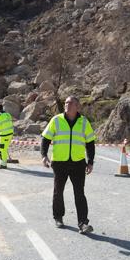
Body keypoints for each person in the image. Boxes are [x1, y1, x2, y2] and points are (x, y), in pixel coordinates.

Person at [41, 96, 95, 234]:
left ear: (77, 106)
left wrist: (90, 162)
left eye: (70, 103)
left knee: (80, 193)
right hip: (59, 162)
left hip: (78, 163)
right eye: (66, 103)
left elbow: (90, 143)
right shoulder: (56, 120)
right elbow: (46, 139)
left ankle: (83, 223)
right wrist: (44, 156)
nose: (67, 105)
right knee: (58, 192)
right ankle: (58, 217)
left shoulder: (84, 122)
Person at [0, 102, 14, 169]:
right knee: (4, 148)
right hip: (10, 134)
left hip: (4, 135)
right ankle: (4, 161)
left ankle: (3, 164)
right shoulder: (7, 114)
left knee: (2, 149)